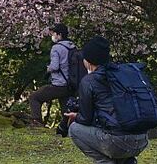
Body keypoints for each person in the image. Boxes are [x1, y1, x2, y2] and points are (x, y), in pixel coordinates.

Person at [64, 36, 149, 164]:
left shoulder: (89, 81)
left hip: (118, 142)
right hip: (142, 139)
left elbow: (86, 119)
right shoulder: (121, 75)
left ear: (88, 61)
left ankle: (105, 162)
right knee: (115, 135)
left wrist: (76, 116)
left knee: (75, 129)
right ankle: (127, 161)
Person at [28, 23, 75, 126]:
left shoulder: (57, 48)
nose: (52, 36)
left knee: (34, 97)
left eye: (54, 33)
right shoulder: (72, 46)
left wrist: (48, 69)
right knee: (66, 110)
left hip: (59, 84)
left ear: (59, 35)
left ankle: (37, 122)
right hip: (70, 84)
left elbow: (55, 67)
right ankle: (71, 127)